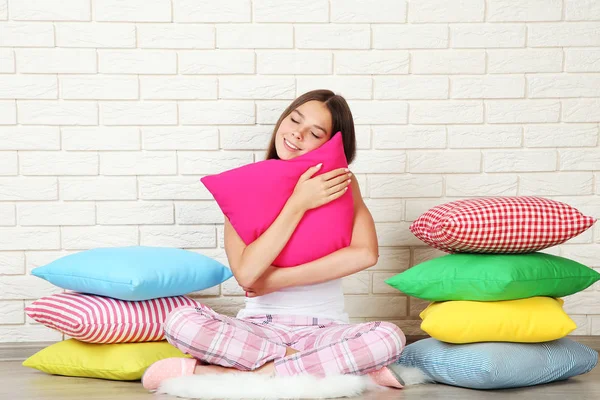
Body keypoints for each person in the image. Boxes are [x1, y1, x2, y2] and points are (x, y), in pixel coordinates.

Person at [142, 89, 406, 390]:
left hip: (325, 331)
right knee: (180, 320)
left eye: (315, 133)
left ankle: (245, 375)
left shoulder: (340, 182)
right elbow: (247, 273)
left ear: (332, 144)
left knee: (389, 337)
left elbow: (365, 254)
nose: (297, 134)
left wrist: (277, 280)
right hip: (257, 330)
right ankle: (332, 368)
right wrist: (298, 203)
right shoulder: (243, 186)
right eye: (294, 120)